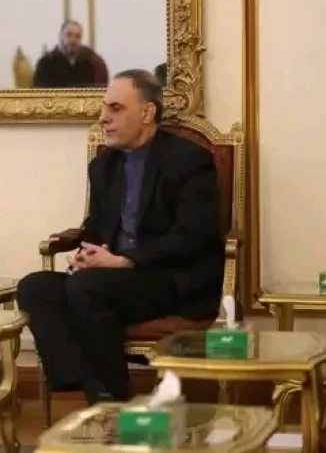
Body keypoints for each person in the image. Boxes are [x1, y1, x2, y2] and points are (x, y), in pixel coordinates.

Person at [17, 69, 223, 404]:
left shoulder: (188, 161)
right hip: (112, 281)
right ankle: (80, 384)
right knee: (35, 287)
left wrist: (125, 260)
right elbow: (99, 226)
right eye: (104, 108)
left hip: (169, 280)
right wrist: (87, 253)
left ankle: (110, 398)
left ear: (147, 112)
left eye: (115, 108)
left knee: (86, 287)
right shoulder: (104, 166)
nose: (103, 118)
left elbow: (193, 235)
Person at [32, 20, 108, 88]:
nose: (73, 40)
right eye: (69, 35)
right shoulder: (46, 63)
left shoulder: (90, 62)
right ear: (60, 36)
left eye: (78, 36)